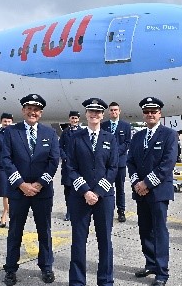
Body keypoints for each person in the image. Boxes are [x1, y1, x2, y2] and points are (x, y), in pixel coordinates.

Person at [2, 94, 60, 285]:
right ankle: (10, 269)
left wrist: (39, 184)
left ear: (40, 113)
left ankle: (46, 267)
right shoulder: (11, 132)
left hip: (42, 192)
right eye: (29, 108)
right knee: (15, 231)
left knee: (44, 231)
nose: (32, 112)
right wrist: (21, 184)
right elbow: (6, 160)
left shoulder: (50, 133)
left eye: (36, 109)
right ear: (23, 110)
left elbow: (53, 161)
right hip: (19, 192)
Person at [127, 97, 177, 286]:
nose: (150, 115)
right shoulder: (138, 136)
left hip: (158, 191)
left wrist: (146, 183)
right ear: (143, 114)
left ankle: (162, 273)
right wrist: (136, 183)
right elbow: (130, 161)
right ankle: (150, 264)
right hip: (140, 192)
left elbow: (167, 164)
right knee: (145, 230)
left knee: (159, 231)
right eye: (147, 112)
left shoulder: (169, 135)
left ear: (159, 114)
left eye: (153, 111)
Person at [67, 98, 118, 286]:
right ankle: (77, 281)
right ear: (86, 114)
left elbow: (113, 168)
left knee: (105, 241)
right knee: (78, 241)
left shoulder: (110, 138)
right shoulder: (75, 138)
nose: (94, 115)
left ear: (102, 115)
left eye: (98, 112)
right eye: (91, 111)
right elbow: (70, 167)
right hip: (80, 197)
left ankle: (105, 280)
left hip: (103, 198)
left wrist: (97, 192)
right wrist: (86, 191)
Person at [101, 102, 131, 222]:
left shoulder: (126, 126)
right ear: (109, 112)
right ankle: (106, 210)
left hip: (120, 163)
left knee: (120, 188)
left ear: (119, 111)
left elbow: (127, 142)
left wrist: (115, 152)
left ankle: (121, 211)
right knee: (106, 187)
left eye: (116, 110)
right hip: (106, 163)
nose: (114, 112)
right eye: (112, 110)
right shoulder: (104, 125)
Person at [59, 110, 81, 221]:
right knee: (67, 189)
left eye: (76, 118)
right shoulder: (65, 132)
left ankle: (78, 210)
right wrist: (64, 157)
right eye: (72, 118)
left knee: (78, 187)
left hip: (79, 166)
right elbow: (60, 147)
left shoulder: (83, 132)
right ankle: (69, 211)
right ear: (69, 119)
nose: (74, 120)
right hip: (67, 165)